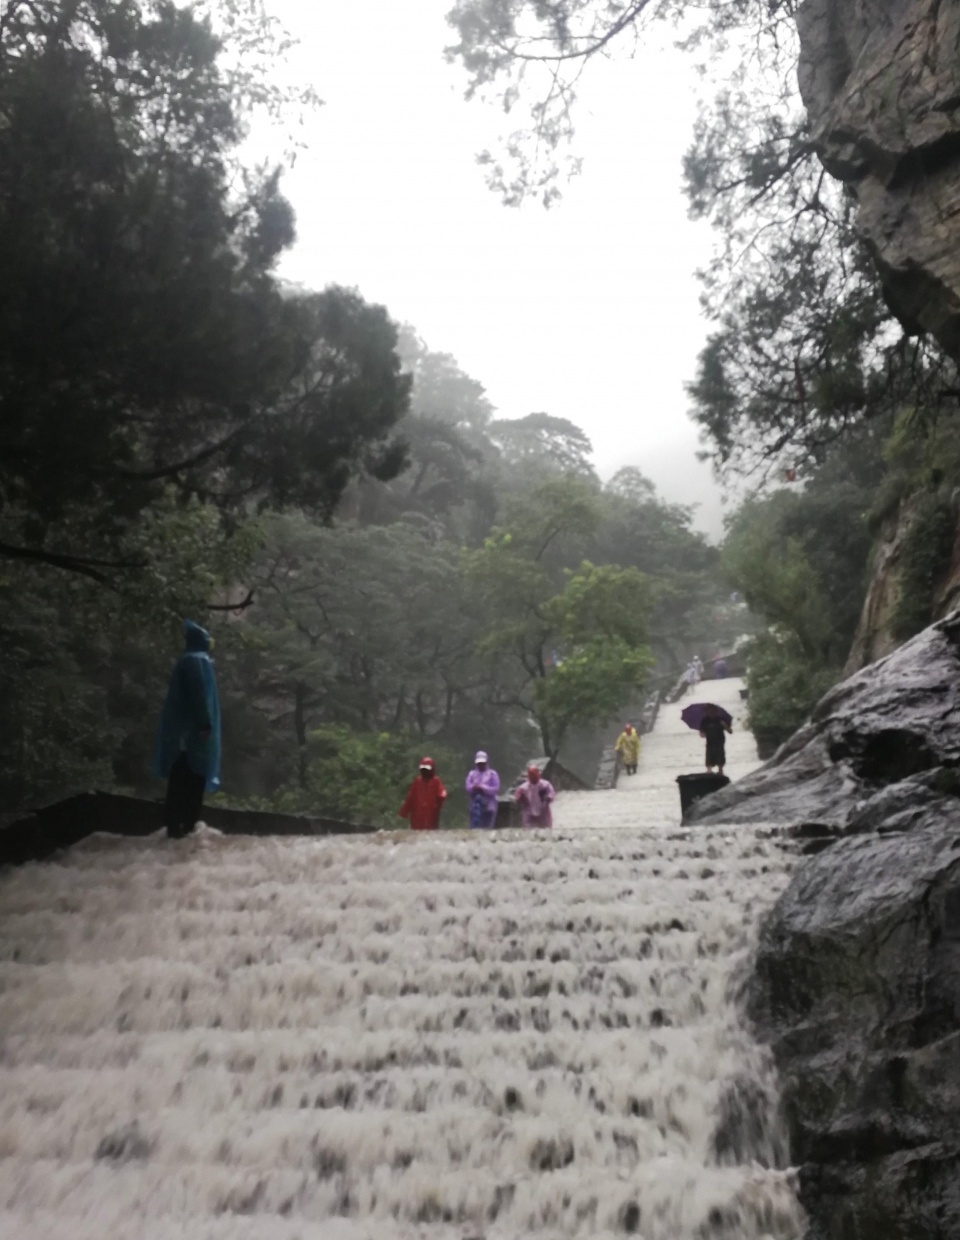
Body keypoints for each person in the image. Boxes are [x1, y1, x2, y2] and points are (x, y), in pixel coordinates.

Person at [153, 619, 221, 839]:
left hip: (182, 735)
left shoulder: (187, 660)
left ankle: (175, 829)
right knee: (192, 779)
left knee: (179, 779)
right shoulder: (197, 662)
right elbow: (199, 694)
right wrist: (204, 723)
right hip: (193, 737)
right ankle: (186, 828)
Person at [399, 757, 447, 830]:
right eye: (423, 769)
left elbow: (442, 794)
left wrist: (438, 804)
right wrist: (404, 812)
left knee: (430, 833)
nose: (425, 771)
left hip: (431, 814)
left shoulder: (436, 781)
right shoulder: (417, 781)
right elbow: (410, 797)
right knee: (417, 833)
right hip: (417, 815)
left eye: (427, 769)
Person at [466, 751, 500, 828]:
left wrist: (483, 788)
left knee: (486, 826)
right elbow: (468, 787)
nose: (480, 765)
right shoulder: (472, 774)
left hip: (489, 805)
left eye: (482, 763)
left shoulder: (492, 774)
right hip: (475, 805)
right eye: (479, 763)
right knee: (474, 825)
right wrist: (473, 787)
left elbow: (495, 789)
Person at [699, 703, 732, 776]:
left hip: (720, 743)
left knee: (720, 759)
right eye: (709, 711)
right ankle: (709, 773)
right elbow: (701, 732)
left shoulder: (720, 720)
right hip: (710, 743)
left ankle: (720, 772)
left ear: (716, 711)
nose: (711, 712)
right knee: (709, 760)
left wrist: (725, 725)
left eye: (713, 711)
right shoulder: (704, 721)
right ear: (706, 711)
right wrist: (702, 734)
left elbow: (730, 732)